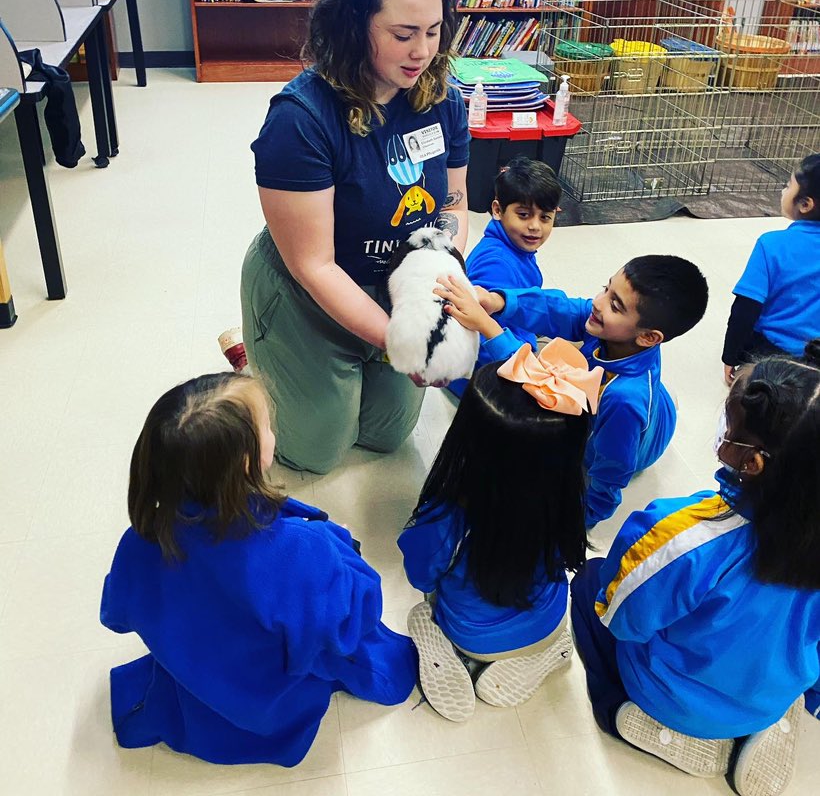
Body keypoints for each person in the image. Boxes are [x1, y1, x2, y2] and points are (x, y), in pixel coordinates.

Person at [241, 0, 470, 474]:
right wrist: (398, 341)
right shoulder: (300, 119)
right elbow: (315, 266)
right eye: (403, 33)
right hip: (308, 284)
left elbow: (455, 205)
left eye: (434, 32)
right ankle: (254, 354)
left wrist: (441, 280)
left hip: (396, 279)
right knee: (314, 452)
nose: (422, 51)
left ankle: (331, 371)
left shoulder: (444, 98)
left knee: (386, 438)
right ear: (352, 26)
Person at [100, 373, 416, 766]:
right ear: (249, 460)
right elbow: (354, 618)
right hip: (269, 707)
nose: (273, 431)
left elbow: (116, 612)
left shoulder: (142, 539)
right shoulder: (300, 552)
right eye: (267, 425)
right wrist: (341, 547)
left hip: (197, 689)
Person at [569, 343, 820, 796]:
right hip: (773, 696)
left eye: (729, 426)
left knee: (589, 585)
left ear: (753, 462)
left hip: (672, 698)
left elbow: (621, 618)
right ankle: (766, 721)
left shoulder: (684, 535)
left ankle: (633, 717)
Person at [398, 339, 600, 721]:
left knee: (426, 603)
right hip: (552, 617)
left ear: (468, 439)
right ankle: (544, 651)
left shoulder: (448, 518)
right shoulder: (568, 499)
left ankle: (455, 652)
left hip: (472, 634)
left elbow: (419, 571)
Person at [435, 256, 708, 528]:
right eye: (606, 288)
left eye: (614, 304)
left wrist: (575, 521)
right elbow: (565, 310)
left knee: (536, 403)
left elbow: (610, 476)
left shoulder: (623, 399)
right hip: (649, 404)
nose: (598, 303)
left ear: (648, 337)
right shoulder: (620, 333)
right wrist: (501, 302)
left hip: (631, 438)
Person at [447, 156, 561, 398]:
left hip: (513, 345)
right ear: (497, 210)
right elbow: (480, 335)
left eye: (545, 217)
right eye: (523, 215)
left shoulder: (516, 247)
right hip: (490, 374)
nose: (535, 227)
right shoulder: (496, 264)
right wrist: (530, 365)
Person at [721, 152, 820, 385]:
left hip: (770, 354)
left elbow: (746, 308)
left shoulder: (772, 245)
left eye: (788, 186)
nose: (783, 191)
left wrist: (730, 356)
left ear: (805, 204)